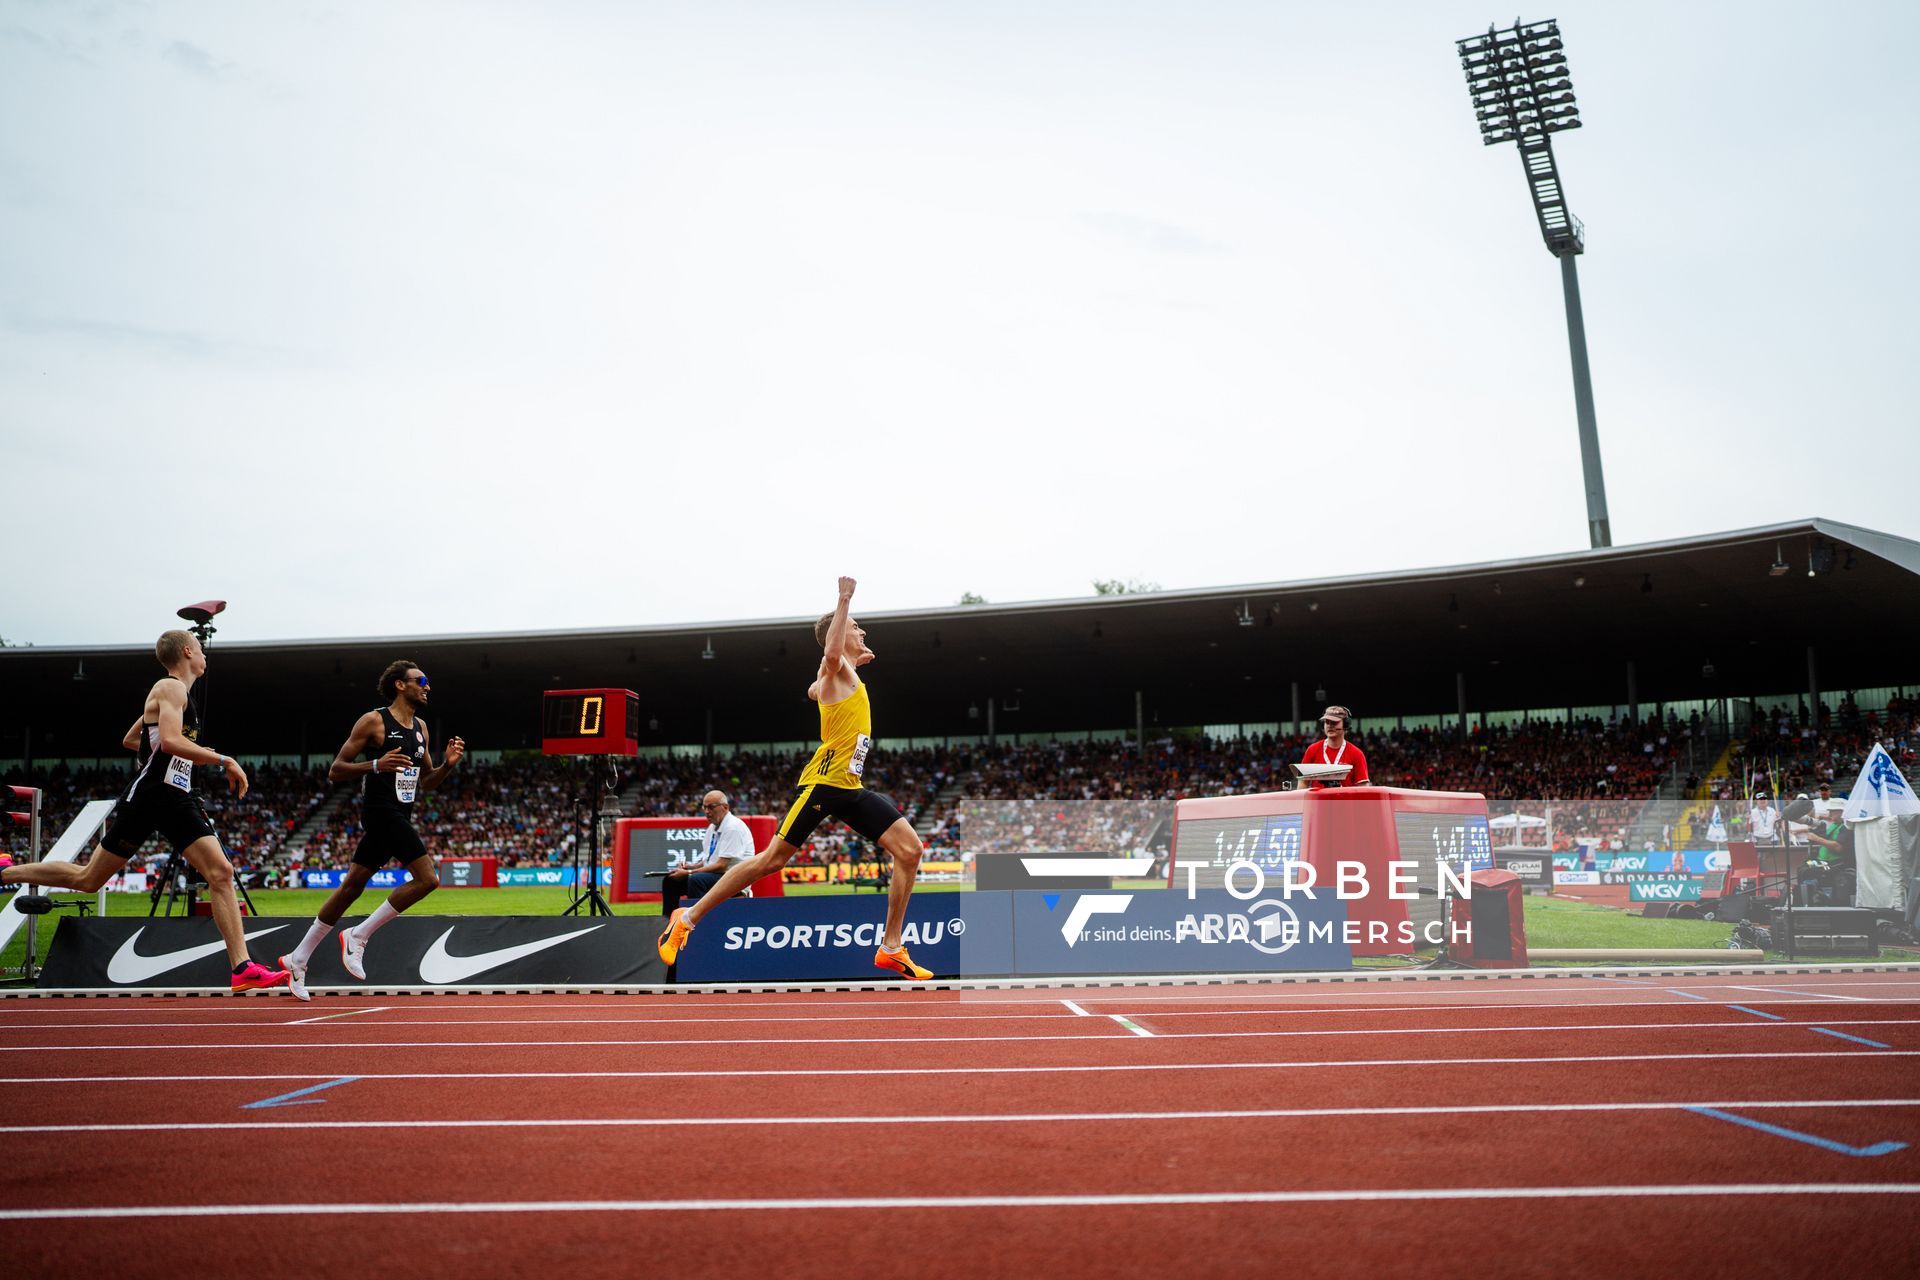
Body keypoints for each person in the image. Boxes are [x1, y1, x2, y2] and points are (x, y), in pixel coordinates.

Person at [657, 576, 930, 979]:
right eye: (855, 625)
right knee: (772, 860)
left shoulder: (840, 677)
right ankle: (686, 919)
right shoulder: (835, 665)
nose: (862, 629)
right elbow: (830, 654)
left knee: (910, 851)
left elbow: (815, 689)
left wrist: (829, 678)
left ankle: (891, 948)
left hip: (849, 790)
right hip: (822, 786)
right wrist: (844, 599)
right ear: (837, 635)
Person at [0, 630, 288, 992]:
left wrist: (172, 741)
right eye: (200, 649)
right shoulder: (171, 688)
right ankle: (7, 873)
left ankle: (242, 967)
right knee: (89, 880)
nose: (204, 656)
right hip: (154, 795)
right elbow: (168, 741)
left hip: (173, 797)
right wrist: (222, 759)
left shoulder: (172, 694)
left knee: (220, 871)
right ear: (187, 651)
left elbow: (134, 739)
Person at [275, 660, 464, 1000]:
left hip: (399, 813)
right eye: (420, 680)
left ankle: (297, 959)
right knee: (428, 880)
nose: (427, 686)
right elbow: (336, 770)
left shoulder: (421, 727)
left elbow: (428, 782)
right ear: (400, 685)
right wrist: (376, 764)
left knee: (350, 888)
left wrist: (447, 766)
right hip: (380, 812)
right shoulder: (374, 721)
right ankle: (358, 935)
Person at [661, 790, 755, 918]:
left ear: (725, 807)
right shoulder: (713, 828)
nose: (706, 811)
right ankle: (668, 922)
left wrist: (689, 873)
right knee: (670, 880)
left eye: (711, 807)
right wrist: (690, 866)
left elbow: (721, 865)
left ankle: (698, 922)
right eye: (704, 807)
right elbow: (708, 861)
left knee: (696, 880)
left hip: (735, 879)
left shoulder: (733, 827)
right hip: (718, 876)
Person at [1300, 705, 1369, 787]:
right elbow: (1302, 783)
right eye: (1327, 722)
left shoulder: (1357, 754)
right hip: (1318, 800)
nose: (1329, 725)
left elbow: (1363, 788)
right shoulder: (1312, 750)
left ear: (1345, 725)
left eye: (1334, 722)